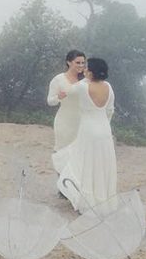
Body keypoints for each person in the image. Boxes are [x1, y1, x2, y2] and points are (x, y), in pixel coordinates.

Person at [52, 58, 117, 213]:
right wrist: (104, 124)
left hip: (88, 130)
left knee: (84, 163)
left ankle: (86, 201)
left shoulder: (82, 86)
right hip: (104, 131)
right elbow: (110, 110)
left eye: (87, 68)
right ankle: (103, 201)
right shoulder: (108, 86)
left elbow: (67, 92)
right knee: (101, 165)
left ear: (91, 72)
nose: (84, 70)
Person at [47, 50, 87, 151]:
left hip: (82, 121)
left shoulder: (86, 80)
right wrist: (58, 97)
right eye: (78, 62)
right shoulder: (58, 79)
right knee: (63, 151)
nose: (81, 65)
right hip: (64, 121)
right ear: (69, 62)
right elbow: (50, 101)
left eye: (83, 63)